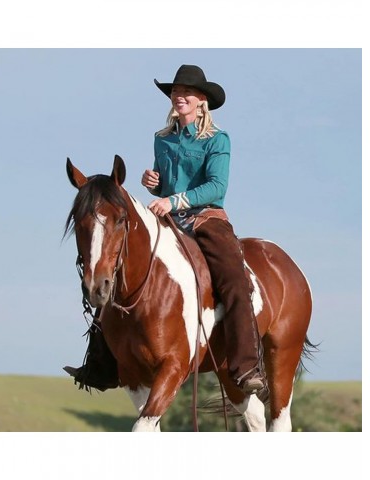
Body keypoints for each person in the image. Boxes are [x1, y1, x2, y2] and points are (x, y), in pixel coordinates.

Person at [64, 64, 265, 395]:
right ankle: (102, 364)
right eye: (175, 91)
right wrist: (154, 184)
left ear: (202, 101)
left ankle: (245, 367)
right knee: (117, 270)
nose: (179, 96)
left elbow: (216, 186)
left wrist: (175, 200)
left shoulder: (218, 139)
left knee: (235, 280)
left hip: (207, 219)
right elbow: (165, 186)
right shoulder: (163, 139)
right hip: (169, 219)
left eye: (186, 92)